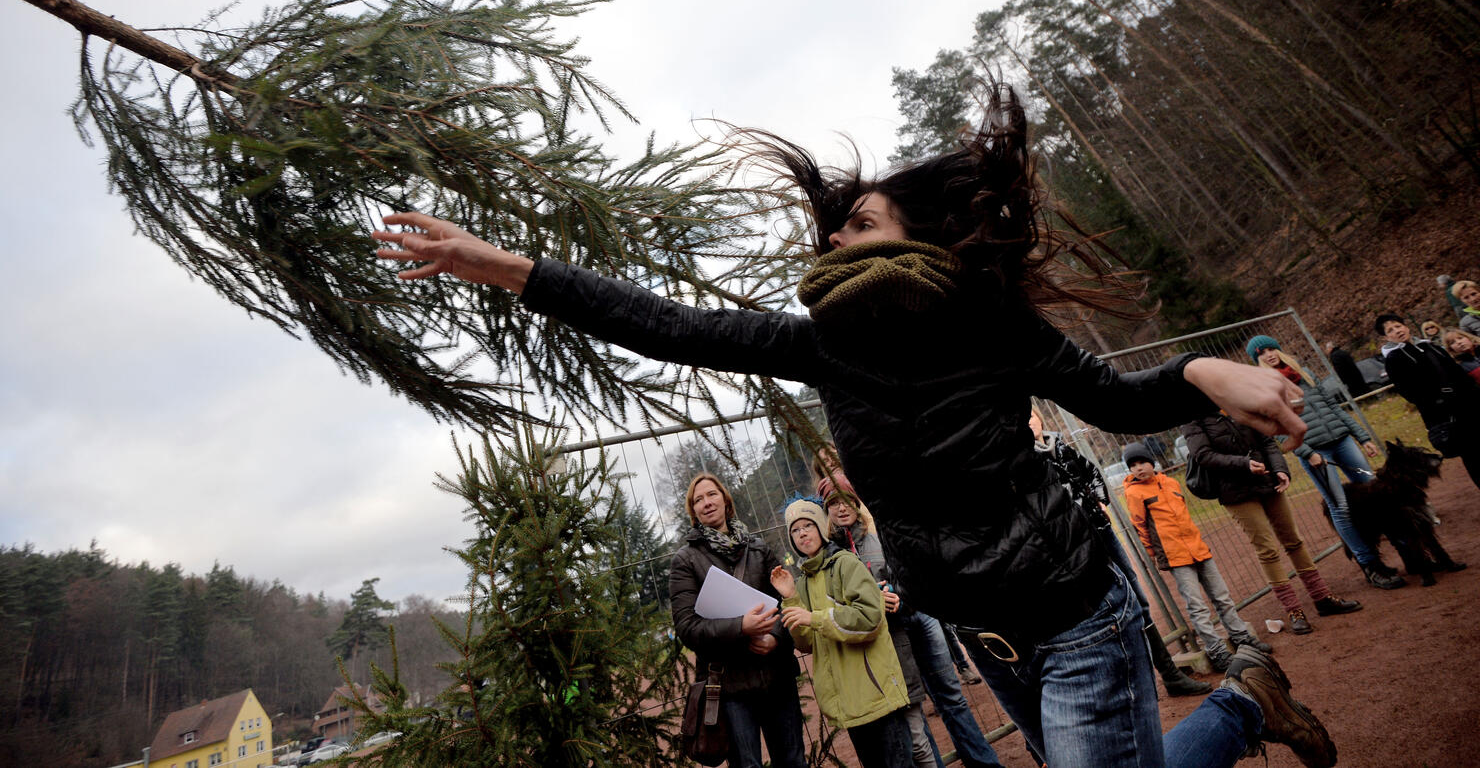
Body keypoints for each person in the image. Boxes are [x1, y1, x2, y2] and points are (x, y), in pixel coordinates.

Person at [372, 87, 1337, 768]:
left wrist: (1206, 372)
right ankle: (1247, 701)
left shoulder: (989, 323)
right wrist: (499, 265)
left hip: (1078, 613)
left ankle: (1242, 704)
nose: (835, 238)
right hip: (987, 639)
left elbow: (1113, 400)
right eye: (834, 229)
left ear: (919, 235)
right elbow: (667, 324)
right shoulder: (823, 348)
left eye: (860, 223)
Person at [823, 483, 1004, 768]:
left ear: (858, 503)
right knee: (913, 707)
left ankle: (984, 763)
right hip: (888, 635)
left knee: (951, 696)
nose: (842, 507)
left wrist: (897, 592)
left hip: (920, 615)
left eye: (847, 500)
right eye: (834, 503)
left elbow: (910, 569)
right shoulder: (832, 555)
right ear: (825, 510)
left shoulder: (879, 535)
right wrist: (872, 601)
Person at [1031, 414, 1212, 695]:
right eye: (1023, 418)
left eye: (1032, 415)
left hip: (1103, 532)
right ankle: (1133, 685)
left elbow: (1092, 472)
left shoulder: (1062, 446)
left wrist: (1100, 501)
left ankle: (1170, 674)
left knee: (1137, 598)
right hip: (1076, 547)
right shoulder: (1027, 462)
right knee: (1106, 609)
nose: (1029, 421)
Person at [667, 473, 806, 768]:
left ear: (726, 500)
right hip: (730, 687)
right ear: (693, 511)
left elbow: (787, 601)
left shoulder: (759, 550)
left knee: (793, 761)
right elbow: (687, 627)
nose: (706, 502)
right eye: (698, 499)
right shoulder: (686, 561)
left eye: (712, 494)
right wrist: (740, 627)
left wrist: (775, 637)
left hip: (776, 676)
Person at [1246, 336, 1404, 589]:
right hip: (1317, 451)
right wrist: (1307, 451)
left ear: (1279, 349)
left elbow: (1334, 406)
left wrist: (1362, 437)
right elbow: (1278, 427)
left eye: (1270, 349)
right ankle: (1370, 565)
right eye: (1260, 353)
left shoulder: (1304, 373)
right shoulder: (1264, 386)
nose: (1268, 354)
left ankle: (1406, 547)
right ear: (1257, 360)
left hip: (1343, 441)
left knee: (1376, 492)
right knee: (1340, 506)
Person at [1184, 411, 1363, 634]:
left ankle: (1322, 597)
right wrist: (1244, 463)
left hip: (1267, 480)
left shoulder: (1239, 403)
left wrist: (1280, 469)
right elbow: (1203, 455)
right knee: (1267, 549)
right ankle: (1294, 611)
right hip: (1235, 491)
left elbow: (1267, 441)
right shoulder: (1193, 418)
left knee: (1294, 540)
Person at [771, 497, 912, 768]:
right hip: (850, 704)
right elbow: (806, 644)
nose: (802, 533)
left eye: (807, 526)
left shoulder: (845, 564)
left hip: (875, 694)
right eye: (795, 530)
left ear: (821, 529)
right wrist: (790, 599)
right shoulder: (804, 582)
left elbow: (869, 619)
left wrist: (814, 617)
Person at [1121, 441, 1270, 672]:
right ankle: (1217, 651)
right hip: (1175, 556)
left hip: (1198, 548)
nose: (1138, 468)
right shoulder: (1134, 492)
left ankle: (1241, 637)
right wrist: (1153, 554)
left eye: (1142, 462)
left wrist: (1197, 541)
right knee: (1197, 606)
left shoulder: (1170, 482)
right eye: (1133, 465)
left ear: (1152, 462)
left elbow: (1184, 516)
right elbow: (1140, 526)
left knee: (1221, 596)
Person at [1378, 313, 1480, 488]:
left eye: (1398, 326)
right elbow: (1410, 393)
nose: (1397, 331)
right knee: (1473, 456)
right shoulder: (1394, 360)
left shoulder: (1432, 347)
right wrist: (1440, 402)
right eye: (1391, 330)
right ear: (1386, 337)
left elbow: (1459, 375)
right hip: (1445, 416)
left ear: (1406, 326)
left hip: (1469, 406)